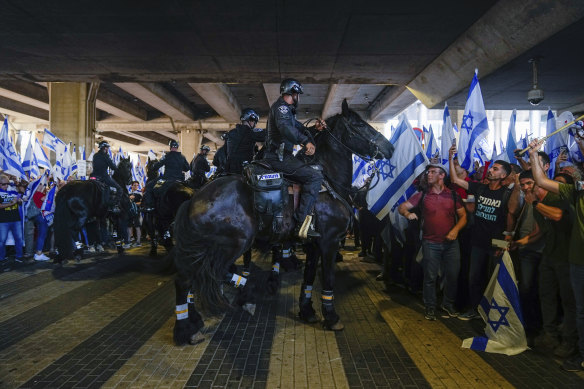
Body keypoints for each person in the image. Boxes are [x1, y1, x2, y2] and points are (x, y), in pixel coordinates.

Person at [529, 137, 584, 372]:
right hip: (577, 261)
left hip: (572, 261)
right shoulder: (575, 193)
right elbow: (540, 180)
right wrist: (533, 154)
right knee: (580, 310)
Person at [449, 145, 519, 320]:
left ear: (503, 175)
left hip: (496, 243)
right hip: (478, 241)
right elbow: (456, 181)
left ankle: (494, 313)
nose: (491, 170)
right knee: (474, 277)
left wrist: (505, 242)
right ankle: (475, 309)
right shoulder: (480, 188)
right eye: (492, 168)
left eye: (495, 169)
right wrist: (450, 158)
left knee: (494, 278)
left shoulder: (505, 193)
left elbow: (511, 213)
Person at [398, 164, 467, 320]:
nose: (429, 174)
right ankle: (430, 306)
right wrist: (407, 213)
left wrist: (455, 230)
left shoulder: (453, 195)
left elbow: (463, 217)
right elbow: (402, 207)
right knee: (430, 277)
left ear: (442, 175)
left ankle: (447, 304)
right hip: (430, 243)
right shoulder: (422, 195)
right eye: (428, 172)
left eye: (433, 172)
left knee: (452, 275)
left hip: (451, 244)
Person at [264, 78, 325, 239]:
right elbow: (285, 128)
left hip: (282, 157)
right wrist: (305, 142)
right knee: (315, 176)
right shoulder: (282, 109)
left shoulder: (287, 112)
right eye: (298, 94)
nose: (299, 98)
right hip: (279, 158)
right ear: (294, 93)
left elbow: (298, 128)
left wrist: (315, 130)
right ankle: (300, 223)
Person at [225, 108, 266, 174]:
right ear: (250, 121)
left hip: (229, 167)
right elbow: (266, 135)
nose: (254, 124)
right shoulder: (249, 133)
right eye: (254, 122)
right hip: (242, 168)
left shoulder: (232, 132)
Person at [90, 141, 121, 212]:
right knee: (119, 189)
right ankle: (113, 206)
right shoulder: (106, 156)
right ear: (104, 148)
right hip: (103, 176)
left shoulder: (95, 155)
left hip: (93, 176)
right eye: (107, 148)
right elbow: (113, 167)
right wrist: (117, 168)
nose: (107, 150)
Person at [0, 175, 24, 263]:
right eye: (3, 184)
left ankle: (19, 256)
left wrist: (20, 200)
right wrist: (11, 203)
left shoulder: (13, 191)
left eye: (7, 183)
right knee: (2, 240)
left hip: (15, 219)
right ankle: (1, 258)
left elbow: (20, 198)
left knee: (19, 239)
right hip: (3, 221)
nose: (6, 185)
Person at [128, 181, 143, 247]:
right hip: (129, 212)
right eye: (134, 185)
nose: (136, 186)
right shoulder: (128, 193)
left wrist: (134, 204)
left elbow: (142, 203)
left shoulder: (139, 193)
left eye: (137, 185)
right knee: (129, 226)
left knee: (137, 226)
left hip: (137, 212)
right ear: (131, 186)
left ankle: (138, 241)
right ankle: (128, 240)